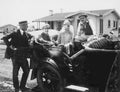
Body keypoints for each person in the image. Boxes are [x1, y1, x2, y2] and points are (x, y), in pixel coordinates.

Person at [2, 21, 33, 92]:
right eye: (26, 25)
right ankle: (16, 88)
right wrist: (10, 46)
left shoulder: (26, 34)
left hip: (23, 56)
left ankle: (22, 87)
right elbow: (5, 38)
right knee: (15, 73)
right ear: (22, 26)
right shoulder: (15, 33)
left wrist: (32, 40)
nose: (27, 27)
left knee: (26, 70)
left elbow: (32, 37)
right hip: (15, 56)